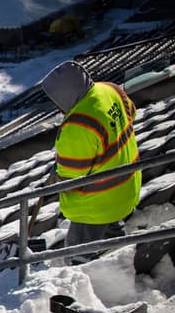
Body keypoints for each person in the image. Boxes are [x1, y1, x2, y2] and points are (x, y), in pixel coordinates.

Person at [40, 60, 140, 259]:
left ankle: (90, 282)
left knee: (81, 256)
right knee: (114, 241)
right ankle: (121, 264)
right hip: (126, 187)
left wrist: (54, 180)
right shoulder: (110, 90)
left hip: (96, 205)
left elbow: (71, 181)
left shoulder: (78, 125)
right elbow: (132, 114)